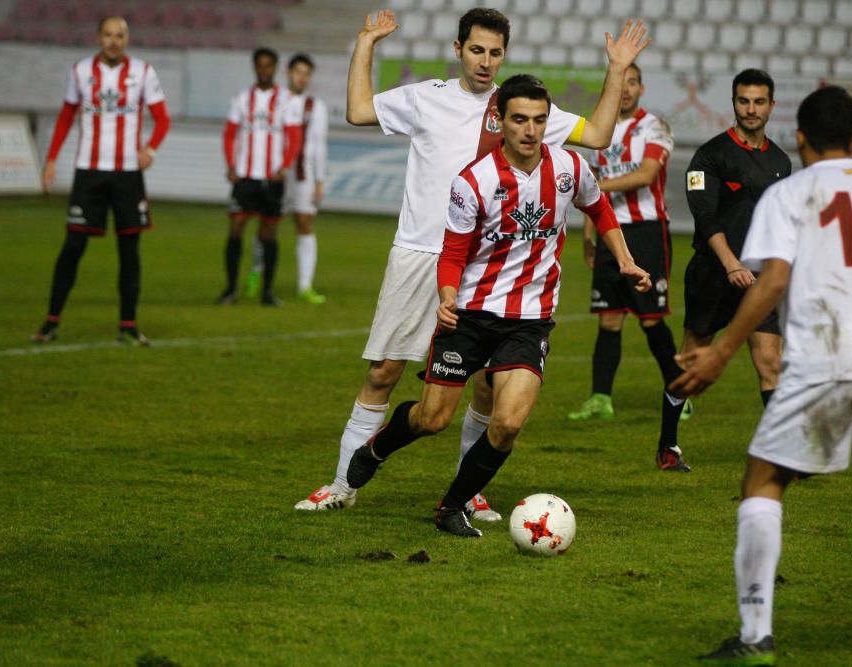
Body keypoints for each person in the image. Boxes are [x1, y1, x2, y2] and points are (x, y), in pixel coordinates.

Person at [294, 8, 649, 517]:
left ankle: (468, 492)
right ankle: (341, 486)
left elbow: (596, 136)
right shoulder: (426, 98)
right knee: (384, 372)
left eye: (495, 52)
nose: (485, 62)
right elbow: (356, 110)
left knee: (487, 383)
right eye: (477, 50)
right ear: (459, 48)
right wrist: (367, 43)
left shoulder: (518, 110)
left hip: (487, 266)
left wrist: (616, 69)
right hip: (421, 252)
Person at [669, 86, 852, 665]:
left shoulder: (790, 193)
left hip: (827, 360)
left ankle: (756, 634)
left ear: (802, 138)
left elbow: (773, 281)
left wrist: (721, 351)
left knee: (763, 480)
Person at [657, 69, 792, 473]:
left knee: (770, 363)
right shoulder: (709, 156)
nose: (750, 109)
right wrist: (730, 263)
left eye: (758, 102)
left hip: (760, 279)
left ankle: (780, 456)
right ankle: (667, 447)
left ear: (771, 105)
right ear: (733, 103)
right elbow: (704, 217)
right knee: (691, 362)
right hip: (713, 276)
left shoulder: (781, 162)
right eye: (743, 101)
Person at [32, 16, 171, 346]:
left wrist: (150, 148)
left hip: (127, 175)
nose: (113, 41)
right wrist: (51, 159)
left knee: (129, 251)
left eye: (119, 35)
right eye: (108, 35)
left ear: (127, 38)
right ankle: (51, 321)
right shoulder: (80, 71)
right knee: (73, 246)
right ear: (98, 37)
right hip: (89, 173)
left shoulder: (144, 72)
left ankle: (128, 325)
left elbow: (163, 118)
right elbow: (67, 115)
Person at [567, 63, 688, 423]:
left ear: (641, 88)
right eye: (621, 83)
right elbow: (593, 186)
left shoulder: (655, 126)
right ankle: (600, 398)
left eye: (632, 83)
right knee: (608, 319)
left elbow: (646, 175)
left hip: (646, 231)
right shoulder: (598, 131)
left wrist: (598, 188)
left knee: (651, 320)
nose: (626, 89)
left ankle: (680, 395)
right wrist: (589, 234)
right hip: (609, 233)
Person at [218, 48, 302, 307]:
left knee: (269, 234)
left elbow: (294, 137)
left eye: (269, 66)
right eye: (260, 66)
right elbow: (230, 134)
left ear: (275, 68)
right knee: (236, 229)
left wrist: (285, 166)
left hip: (272, 178)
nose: (264, 70)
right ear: (254, 67)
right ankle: (231, 289)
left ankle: (267, 291)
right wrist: (231, 165)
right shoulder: (242, 99)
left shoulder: (287, 99)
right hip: (245, 176)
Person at [246, 53, 327, 305]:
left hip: (302, 175)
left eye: (306, 74)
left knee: (304, 223)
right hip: (276, 173)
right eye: (298, 72)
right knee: (267, 225)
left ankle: (305, 285)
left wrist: (319, 179)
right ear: (288, 73)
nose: (302, 77)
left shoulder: (316, 106)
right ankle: (256, 274)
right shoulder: (276, 101)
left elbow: (318, 146)